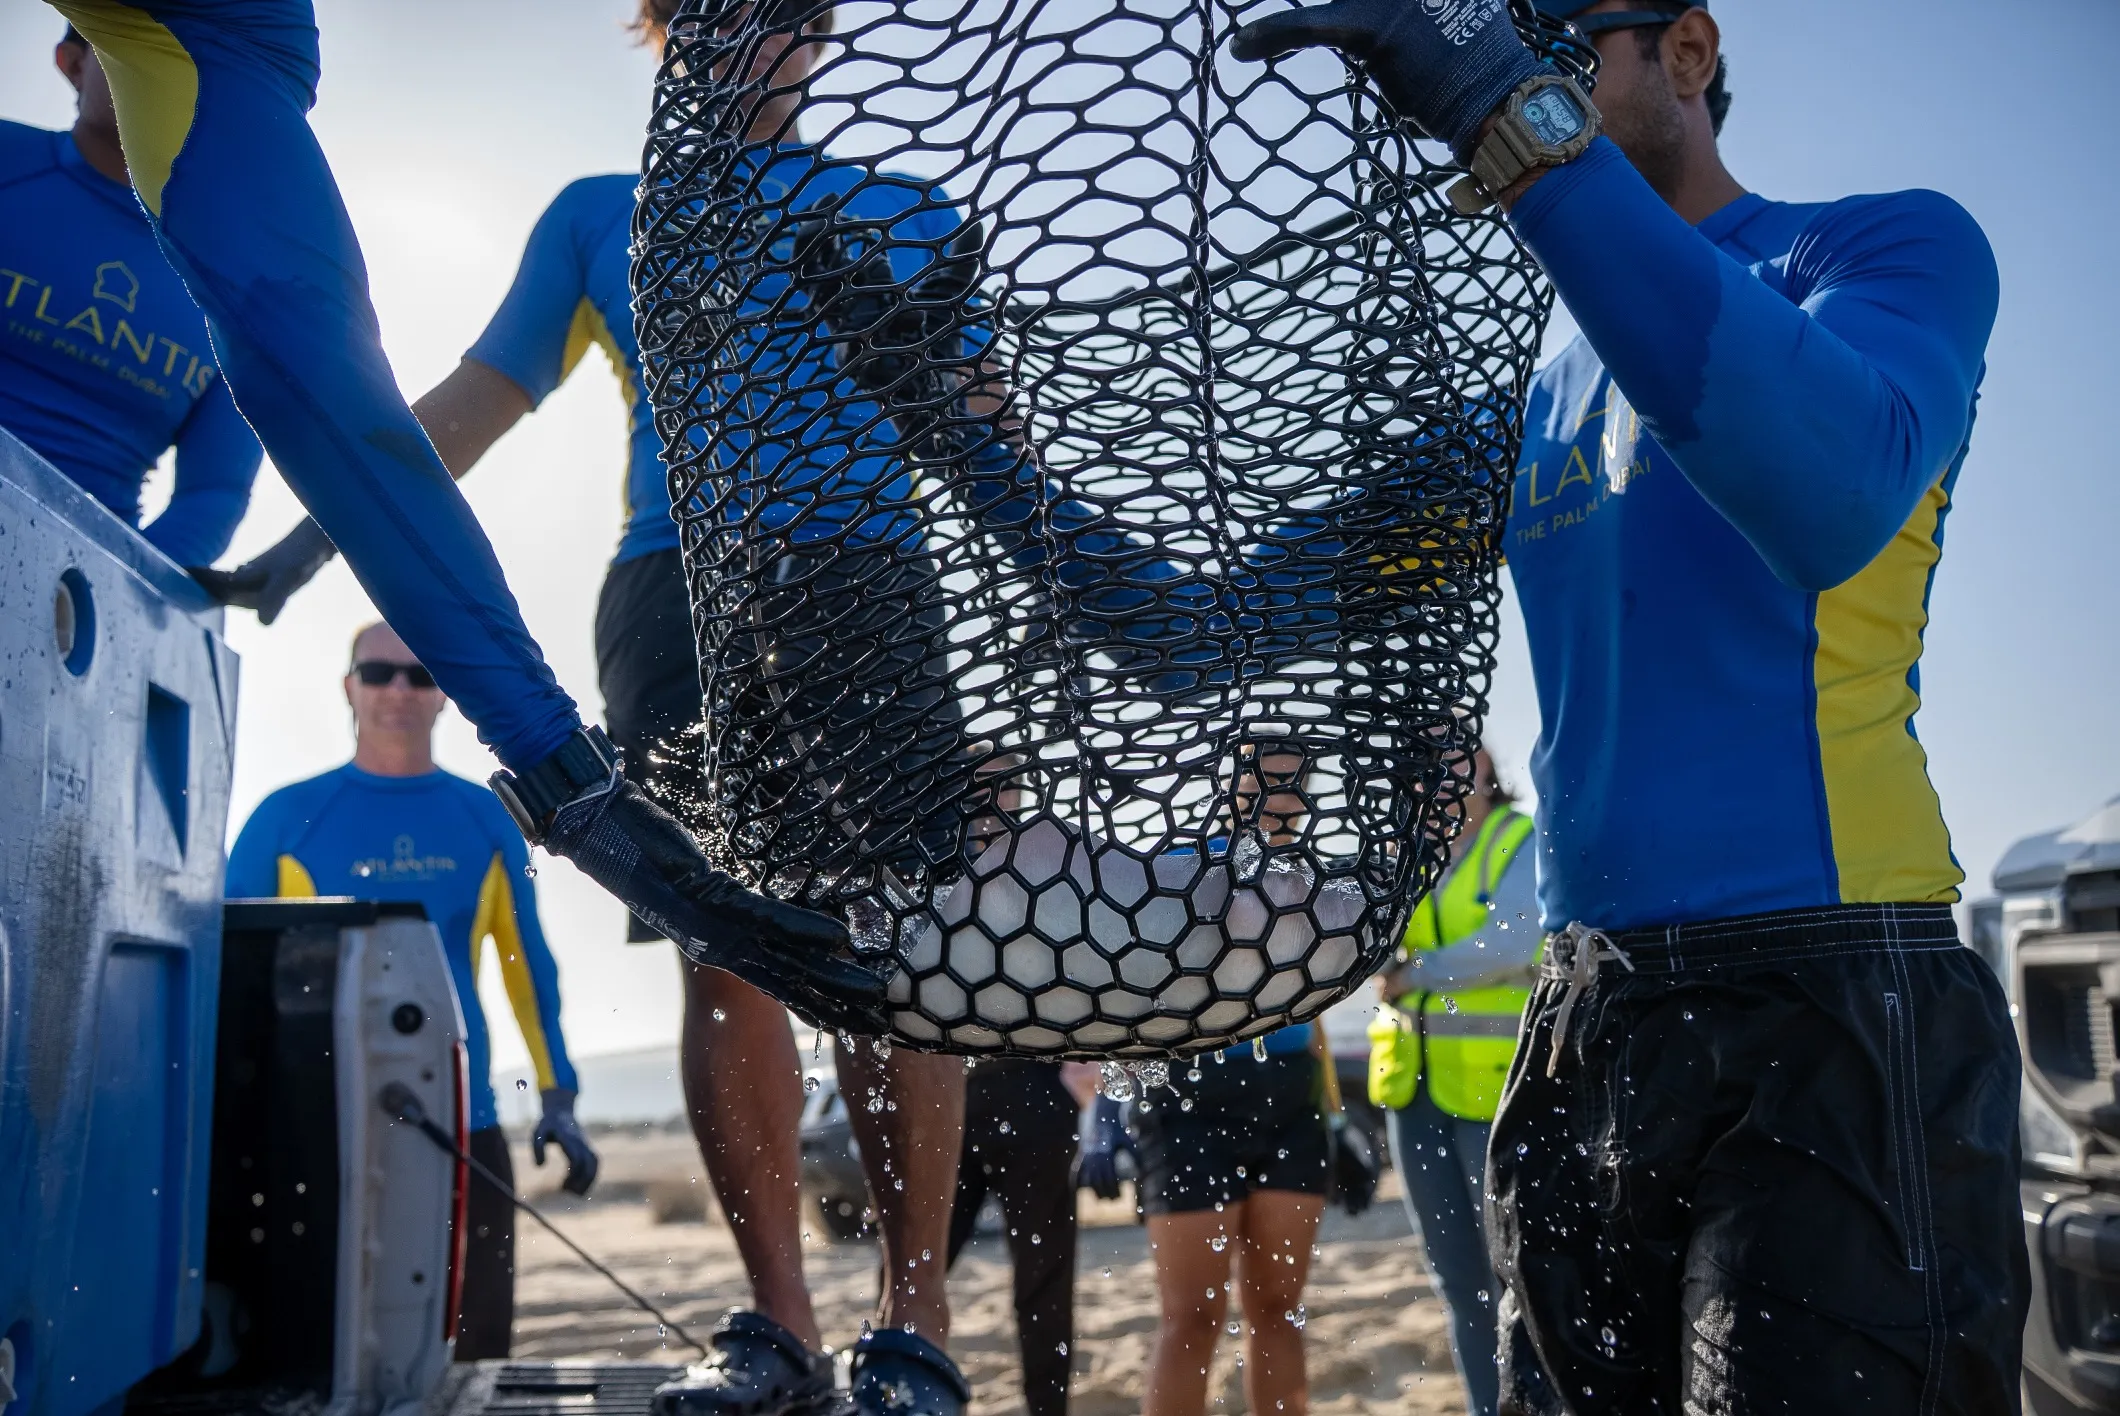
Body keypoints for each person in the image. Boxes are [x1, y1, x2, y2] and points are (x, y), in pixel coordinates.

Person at [1233, 1, 2017, 1411]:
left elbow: (1833, 496)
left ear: (1690, 52)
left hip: (1834, 992)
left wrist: (1504, 114)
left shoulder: (1885, 247)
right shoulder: (1525, 407)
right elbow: (1186, 632)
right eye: (1495, 45)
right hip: (1584, 1016)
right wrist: (959, 417)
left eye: (1557, 46)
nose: (1511, 74)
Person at [39, 1, 879, 1035]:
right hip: (672, 587)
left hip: (868, 588)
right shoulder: (599, 217)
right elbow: (421, 392)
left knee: (891, 912)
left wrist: (572, 789)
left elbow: (320, 380)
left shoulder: (242, 29)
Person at [226, 622, 599, 1359]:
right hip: (316, 1122)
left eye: (420, 676)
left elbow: (529, 970)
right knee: (320, 1352)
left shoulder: (486, 818)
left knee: (475, 1356)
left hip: (462, 1120)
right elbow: (229, 982)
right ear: (349, 688)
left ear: (443, 696)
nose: (398, 690)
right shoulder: (286, 820)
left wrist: (559, 1096)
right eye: (378, 673)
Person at [0, 27, 260, 568]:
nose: (162, 73)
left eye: (187, 59)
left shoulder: (239, 281)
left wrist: (109, 581)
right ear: (73, 64)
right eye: (134, 48)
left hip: (66, 588)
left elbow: (213, 493)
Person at [1367, 748, 1536, 1416]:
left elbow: (1513, 942)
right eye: (1423, 764)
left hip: (1496, 1094)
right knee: (1458, 1281)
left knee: (1518, 1276)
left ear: (1486, 766)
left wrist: (1416, 970)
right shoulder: (1402, 853)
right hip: (1413, 1094)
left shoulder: (1518, 838)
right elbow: (1363, 939)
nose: (1438, 776)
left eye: (1455, 757)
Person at [1134, 1028, 1329, 1416]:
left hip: (1292, 1084)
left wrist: (1335, 1116)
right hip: (1183, 1087)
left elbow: (1314, 1001)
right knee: (1191, 1319)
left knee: (1279, 1310)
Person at [943, 1059, 1090, 1416]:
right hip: (952, 1085)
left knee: (1044, 1274)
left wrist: (1078, 1080)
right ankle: (891, 1387)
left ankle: (1047, 1410)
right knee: (913, 1260)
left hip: (1034, 1084)